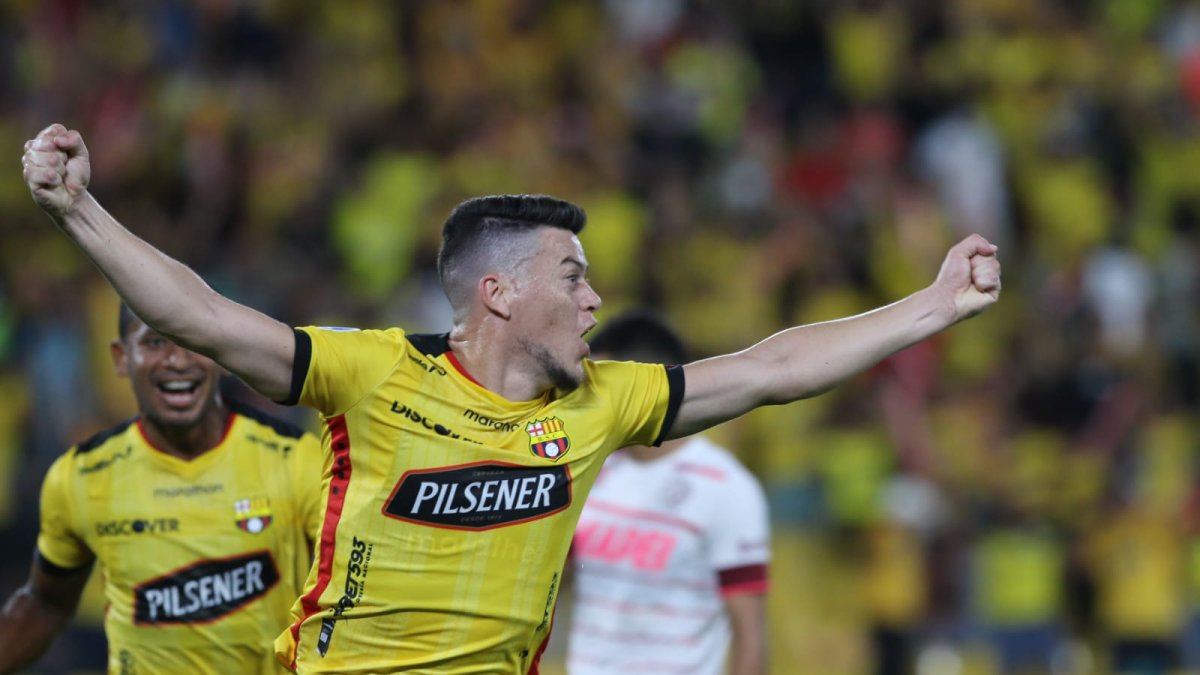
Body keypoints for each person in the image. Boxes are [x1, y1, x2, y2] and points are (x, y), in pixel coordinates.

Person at [21, 123, 1001, 674]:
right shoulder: (372, 374)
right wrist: (80, 210)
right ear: (499, 293)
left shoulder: (602, 405)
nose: (596, 300)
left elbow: (771, 368)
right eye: (573, 278)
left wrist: (930, 306)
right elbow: (203, 317)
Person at [0, 303, 326, 674]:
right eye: (154, 342)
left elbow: (349, 598)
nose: (176, 360)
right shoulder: (83, 475)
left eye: (192, 340)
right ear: (122, 359)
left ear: (221, 353)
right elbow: (46, 605)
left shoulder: (297, 459)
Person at [566, 310, 770, 675]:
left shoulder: (725, 486)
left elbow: (750, 636)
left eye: (606, 389)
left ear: (652, 384)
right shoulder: (589, 471)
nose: (592, 403)